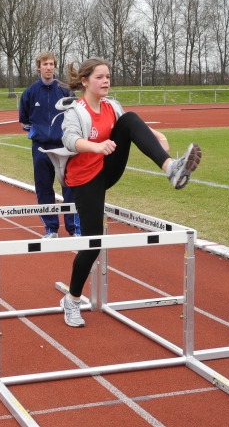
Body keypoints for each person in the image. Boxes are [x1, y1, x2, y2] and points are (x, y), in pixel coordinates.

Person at [41, 57, 202, 327]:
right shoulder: (76, 111)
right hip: (83, 179)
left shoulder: (111, 106)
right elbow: (69, 139)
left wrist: (156, 136)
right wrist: (96, 146)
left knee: (129, 119)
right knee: (93, 244)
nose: (106, 81)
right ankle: (72, 299)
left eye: (108, 77)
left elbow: (131, 128)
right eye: (100, 77)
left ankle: (171, 168)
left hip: (107, 167)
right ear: (85, 82)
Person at [19, 51, 80, 238]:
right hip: (41, 148)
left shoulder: (65, 91)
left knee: (70, 187)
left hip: (64, 147)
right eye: (45, 64)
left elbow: (75, 115)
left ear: (55, 66)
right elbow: (25, 121)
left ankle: (74, 229)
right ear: (38, 67)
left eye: (51, 64)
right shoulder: (30, 93)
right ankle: (51, 228)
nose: (48, 67)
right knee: (44, 187)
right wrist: (39, 133)